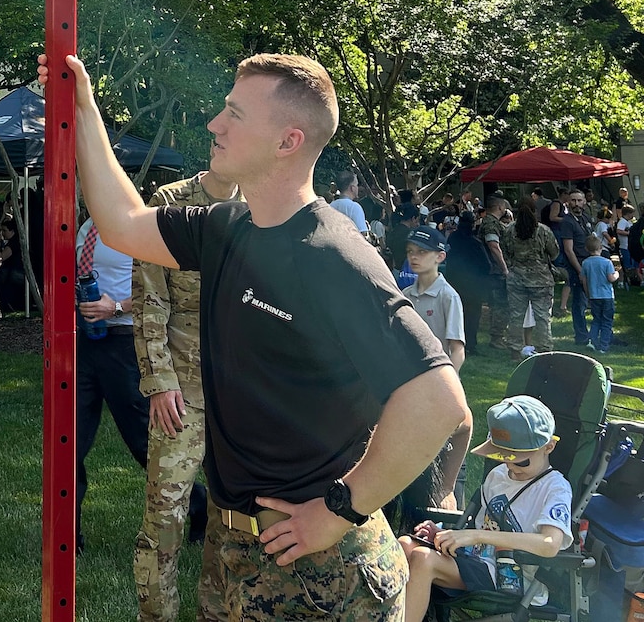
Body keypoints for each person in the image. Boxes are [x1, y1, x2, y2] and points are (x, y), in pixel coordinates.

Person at [38, 51, 466, 620]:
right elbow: (121, 222)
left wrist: (342, 507)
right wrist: (84, 107)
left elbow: (440, 401)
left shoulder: (332, 255)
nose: (215, 124)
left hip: (322, 576)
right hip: (233, 548)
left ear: (288, 141)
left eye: (234, 114)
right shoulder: (225, 228)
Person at [132, 171, 236, 622]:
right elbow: (150, 298)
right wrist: (160, 381)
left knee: (232, 521)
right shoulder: (172, 202)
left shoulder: (262, 203)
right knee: (165, 520)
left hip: (239, 397)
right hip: (183, 392)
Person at [399, 395, 573, 622]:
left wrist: (478, 536)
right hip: (476, 560)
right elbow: (479, 527)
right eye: (503, 457)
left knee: (423, 558)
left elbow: (550, 545)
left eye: (520, 461)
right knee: (404, 544)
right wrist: (443, 534)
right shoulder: (497, 475)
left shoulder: (555, 488)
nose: (510, 466)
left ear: (549, 446)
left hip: (511, 575)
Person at [73, 214, 155, 554]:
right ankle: (68, 534)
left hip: (123, 342)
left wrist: (116, 307)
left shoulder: (134, 227)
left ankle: (196, 505)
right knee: (70, 441)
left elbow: (156, 292)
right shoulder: (85, 229)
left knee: (142, 442)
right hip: (85, 342)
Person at [401, 227, 471, 507]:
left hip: (439, 385)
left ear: (440, 256)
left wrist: (447, 386)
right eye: (410, 252)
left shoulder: (447, 296)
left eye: (422, 252)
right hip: (409, 385)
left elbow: (457, 349)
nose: (414, 258)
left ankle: (447, 500)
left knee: (444, 450)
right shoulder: (404, 294)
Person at [500, 198, 560, 360]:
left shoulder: (509, 230)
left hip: (516, 279)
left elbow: (505, 253)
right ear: (535, 211)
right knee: (542, 318)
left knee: (516, 316)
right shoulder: (543, 231)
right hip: (541, 280)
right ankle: (545, 351)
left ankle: (515, 351)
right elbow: (554, 253)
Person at [441, 211, 491, 355]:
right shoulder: (476, 243)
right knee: (472, 315)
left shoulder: (452, 239)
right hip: (473, 285)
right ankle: (470, 344)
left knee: (455, 315)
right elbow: (486, 265)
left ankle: (454, 342)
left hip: (454, 282)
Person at [558, 190, 595, 346]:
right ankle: (581, 336)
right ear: (568, 202)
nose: (576, 204)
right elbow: (568, 249)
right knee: (579, 302)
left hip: (590, 262)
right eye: (573, 200)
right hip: (577, 265)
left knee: (597, 300)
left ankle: (601, 333)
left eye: (579, 200)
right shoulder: (567, 221)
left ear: (584, 202)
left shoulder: (586, 218)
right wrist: (580, 271)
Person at [479, 194, 511, 349]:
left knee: (497, 304)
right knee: (500, 304)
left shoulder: (491, 222)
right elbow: (493, 246)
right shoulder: (491, 223)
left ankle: (497, 335)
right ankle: (497, 337)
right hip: (496, 271)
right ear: (500, 207)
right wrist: (504, 268)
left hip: (494, 270)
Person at [581, 235, 618, 355]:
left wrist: (588, 295)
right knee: (607, 321)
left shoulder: (585, 263)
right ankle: (603, 346)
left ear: (586, 249)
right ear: (601, 248)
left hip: (594, 296)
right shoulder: (607, 262)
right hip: (607, 296)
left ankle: (591, 341)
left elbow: (584, 280)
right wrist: (617, 273)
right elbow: (611, 278)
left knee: (596, 319)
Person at [329, 169, 368, 234]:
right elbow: (363, 234)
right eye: (357, 185)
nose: (358, 187)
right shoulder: (355, 207)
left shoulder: (330, 206)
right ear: (352, 188)